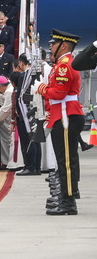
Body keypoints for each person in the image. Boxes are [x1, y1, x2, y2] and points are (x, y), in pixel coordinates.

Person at [37, 29, 86, 215]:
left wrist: (41, 89)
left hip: (66, 115)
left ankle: (68, 202)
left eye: (54, 44)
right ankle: (67, 197)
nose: (51, 47)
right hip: (63, 114)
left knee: (66, 161)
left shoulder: (65, 65)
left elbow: (58, 93)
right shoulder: (62, 64)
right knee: (64, 158)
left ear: (63, 45)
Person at [13, 54, 42, 176]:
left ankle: (30, 166)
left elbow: (20, 95)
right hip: (37, 109)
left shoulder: (25, 76)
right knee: (36, 139)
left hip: (26, 111)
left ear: (21, 63)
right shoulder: (38, 74)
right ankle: (36, 166)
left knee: (28, 140)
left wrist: (19, 112)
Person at [0, 75, 16, 169]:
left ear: (1, 86)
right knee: (5, 140)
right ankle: (6, 161)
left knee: (9, 141)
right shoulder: (3, 87)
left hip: (9, 118)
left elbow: (6, 109)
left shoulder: (9, 92)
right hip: (5, 118)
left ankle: (9, 163)